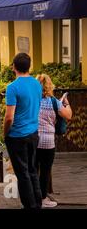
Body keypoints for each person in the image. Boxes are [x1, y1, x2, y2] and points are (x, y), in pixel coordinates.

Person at [4, 53, 43, 209]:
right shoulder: (37, 84)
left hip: (17, 136)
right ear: (29, 66)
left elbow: (9, 118)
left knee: (22, 173)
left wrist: (5, 133)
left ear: (14, 67)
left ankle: (29, 205)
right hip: (34, 133)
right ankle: (37, 202)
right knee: (33, 170)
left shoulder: (12, 88)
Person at [35, 74, 72, 208]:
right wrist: (66, 103)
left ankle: (32, 197)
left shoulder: (33, 100)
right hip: (48, 142)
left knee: (33, 170)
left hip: (33, 140)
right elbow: (68, 115)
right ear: (50, 86)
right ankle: (43, 199)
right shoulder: (54, 102)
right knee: (45, 171)